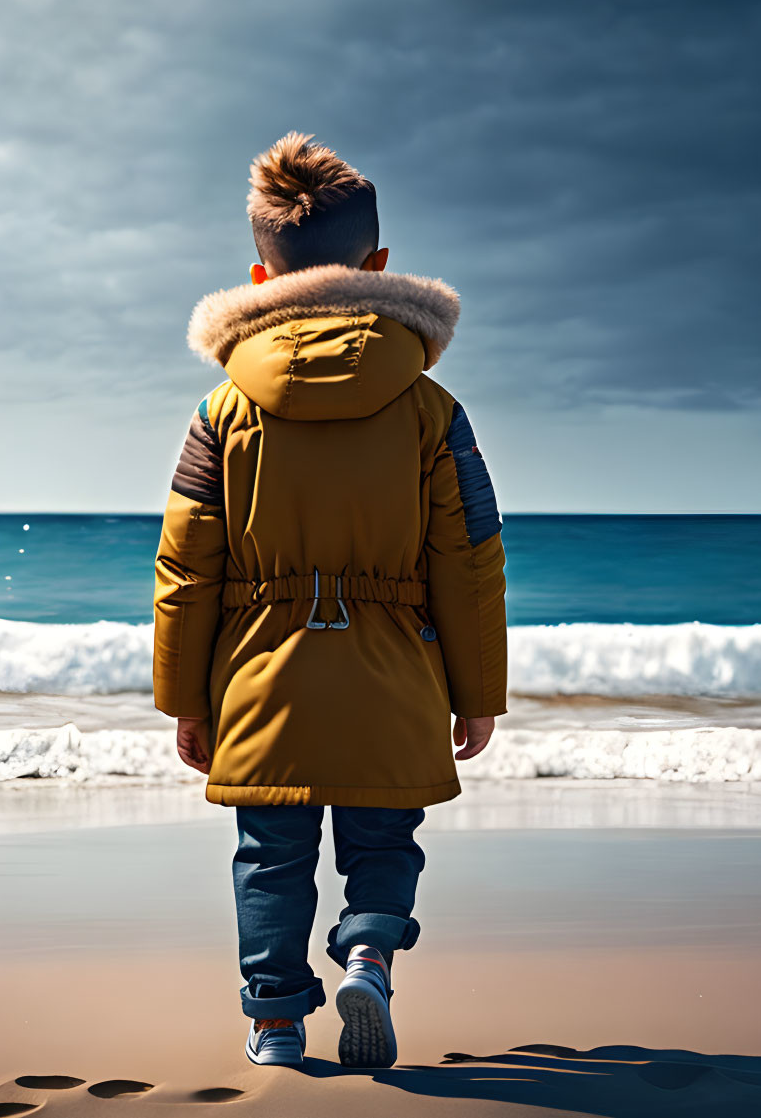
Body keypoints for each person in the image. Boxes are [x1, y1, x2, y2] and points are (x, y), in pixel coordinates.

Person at [152, 132, 507, 1070]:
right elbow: (469, 558)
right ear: (378, 265)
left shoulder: (220, 410)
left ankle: (274, 1021)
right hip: (393, 669)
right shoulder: (432, 409)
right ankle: (367, 952)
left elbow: (186, 565)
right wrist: (477, 692)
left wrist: (185, 697)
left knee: (270, 852)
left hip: (263, 672)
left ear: (260, 273)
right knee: (384, 833)